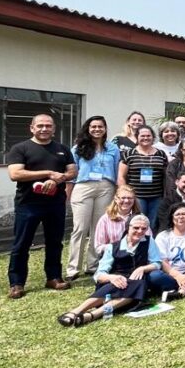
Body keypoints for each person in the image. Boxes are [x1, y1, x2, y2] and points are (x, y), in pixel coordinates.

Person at [6, 113, 76, 299]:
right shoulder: (20, 148)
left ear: (54, 129)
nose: (44, 129)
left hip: (55, 203)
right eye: (40, 126)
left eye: (48, 126)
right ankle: (16, 283)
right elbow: (15, 174)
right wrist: (48, 173)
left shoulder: (62, 149)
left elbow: (72, 171)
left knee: (55, 242)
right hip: (28, 204)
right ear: (32, 128)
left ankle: (53, 277)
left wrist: (59, 178)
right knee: (22, 244)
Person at [56, 215, 162, 327]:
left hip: (136, 280)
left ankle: (93, 315)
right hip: (115, 279)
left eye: (144, 229)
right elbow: (99, 275)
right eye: (136, 228)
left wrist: (143, 268)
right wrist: (112, 278)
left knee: (137, 284)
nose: (140, 231)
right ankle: (76, 312)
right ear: (128, 228)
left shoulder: (149, 241)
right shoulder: (113, 247)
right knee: (117, 284)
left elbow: (157, 263)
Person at [67, 115, 121, 281]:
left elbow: (117, 170)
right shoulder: (78, 148)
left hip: (106, 187)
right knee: (80, 228)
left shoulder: (112, 148)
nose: (97, 129)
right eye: (93, 127)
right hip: (84, 187)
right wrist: (68, 193)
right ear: (88, 129)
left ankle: (92, 265)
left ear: (105, 129)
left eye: (100, 127)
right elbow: (72, 173)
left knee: (98, 229)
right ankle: (73, 268)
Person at [116, 125, 168, 228]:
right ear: (137, 137)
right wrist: (125, 194)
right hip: (137, 196)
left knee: (153, 224)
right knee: (138, 223)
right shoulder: (128, 154)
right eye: (142, 135)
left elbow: (166, 176)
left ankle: (150, 243)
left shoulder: (161, 154)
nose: (146, 138)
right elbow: (121, 176)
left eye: (148, 135)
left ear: (153, 137)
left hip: (156, 197)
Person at [93, 185, 142, 258]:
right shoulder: (105, 219)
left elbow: (149, 241)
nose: (126, 201)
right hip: (113, 258)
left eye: (130, 198)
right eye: (123, 198)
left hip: (136, 257)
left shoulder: (140, 218)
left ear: (134, 200)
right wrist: (117, 248)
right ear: (116, 199)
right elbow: (99, 247)